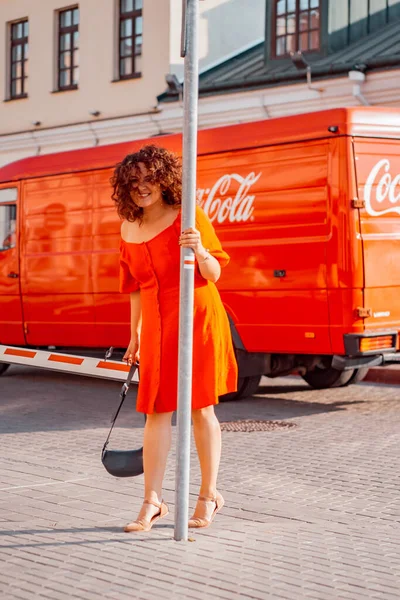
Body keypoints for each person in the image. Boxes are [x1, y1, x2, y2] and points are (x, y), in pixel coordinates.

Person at [111, 145, 238, 533]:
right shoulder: (127, 227)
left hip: (196, 317)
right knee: (155, 410)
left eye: (149, 179)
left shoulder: (188, 216)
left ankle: (209, 494)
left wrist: (199, 248)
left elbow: (214, 273)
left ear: (164, 179)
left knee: (200, 408)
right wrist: (133, 332)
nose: (142, 188)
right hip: (155, 322)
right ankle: (153, 501)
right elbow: (133, 285)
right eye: (133, 182)